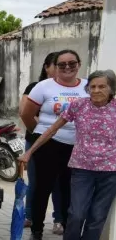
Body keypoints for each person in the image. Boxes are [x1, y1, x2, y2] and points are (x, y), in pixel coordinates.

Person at [20, 70, 116, 240]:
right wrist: (29, 152)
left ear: (111, 89)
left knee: (97, 217)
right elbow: (52, 130)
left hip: (110, 171)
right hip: (82, 169)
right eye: (92, 86)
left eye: (102, 86)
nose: (96, 90)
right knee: (76, 214)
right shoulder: (79, 105)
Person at [19, 49, 86, 240]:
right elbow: (26, 114)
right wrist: (39, 133)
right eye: (62, 64)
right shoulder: (43, 87)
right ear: (55, 67)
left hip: (76, 146)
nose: (67, 67)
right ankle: (37, 230)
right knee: (43, 187)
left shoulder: (88, 87)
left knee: (68, 189)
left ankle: (66, 226)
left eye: (72, 63)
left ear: (78, 65)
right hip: (49, 143)